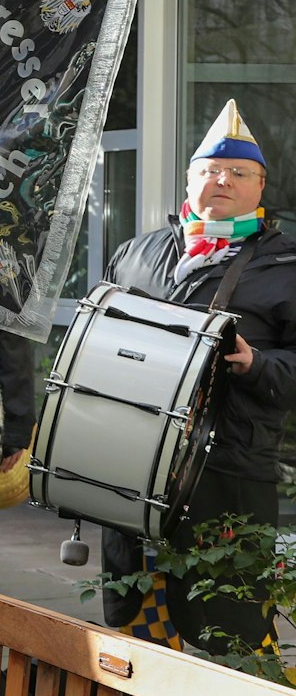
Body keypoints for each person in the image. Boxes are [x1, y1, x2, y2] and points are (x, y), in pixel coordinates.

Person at [100, 100, 296, 653]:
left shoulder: (288, 267)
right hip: (131, 470)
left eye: (239, 173)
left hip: (228, 471)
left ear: (262, 186)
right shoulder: (136, 253)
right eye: (210, 170)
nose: (222, 181)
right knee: (135, 634)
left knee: (229, 633)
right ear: (190, 180)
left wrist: (257, 364)